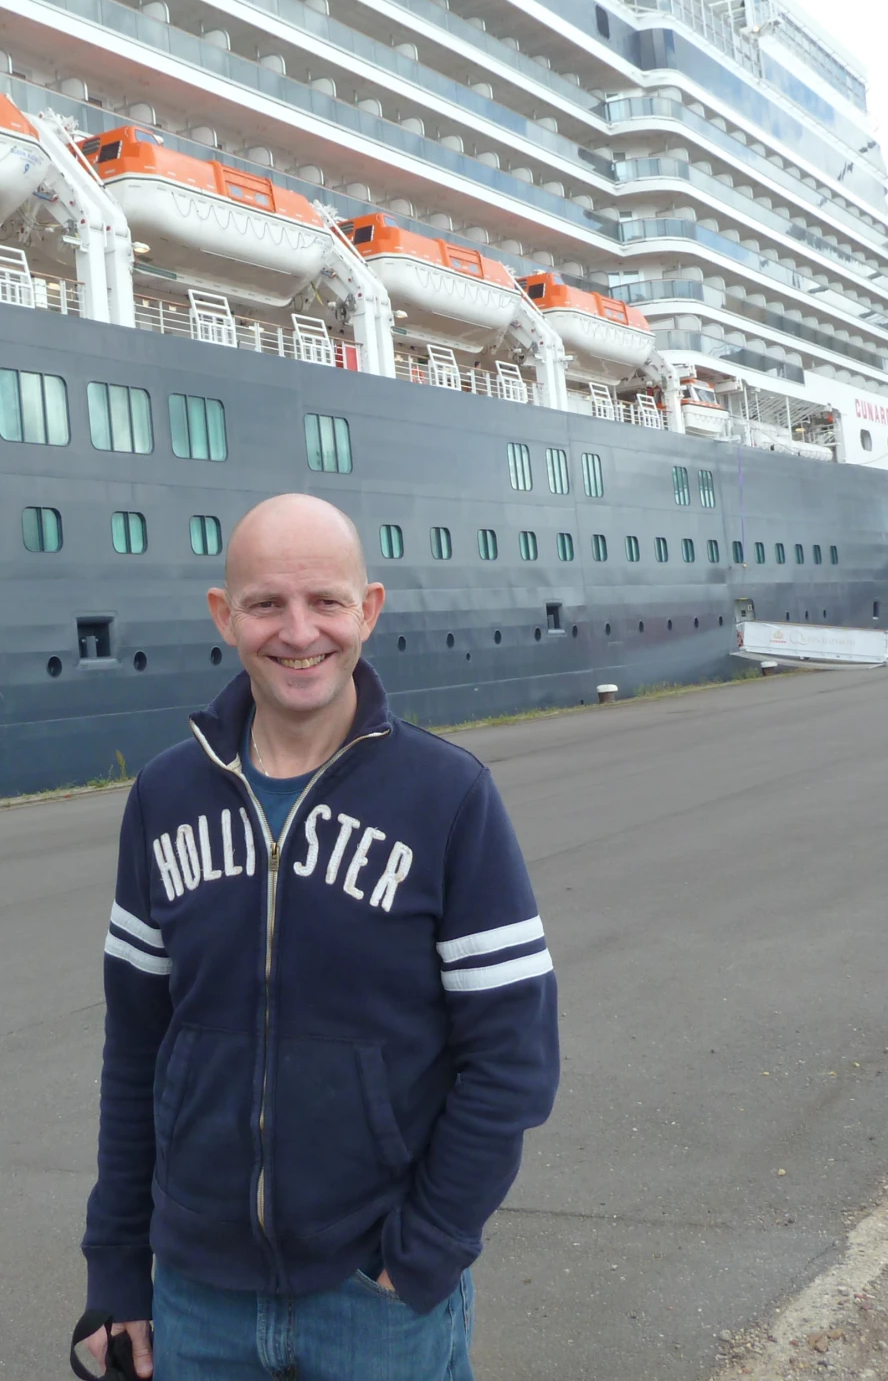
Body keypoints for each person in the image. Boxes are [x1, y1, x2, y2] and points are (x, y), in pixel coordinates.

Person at [77, 493, 560, 1381]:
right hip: (196, 1298)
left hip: (375, 1302)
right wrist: (118, 1274)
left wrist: (421, 1251)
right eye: (267, 604)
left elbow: (513, 1059)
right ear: (226, 617)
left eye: (326, 602)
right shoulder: (164, 797)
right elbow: (135, 1049)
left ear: (368, 610)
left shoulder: (448, 798)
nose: (300, 632)